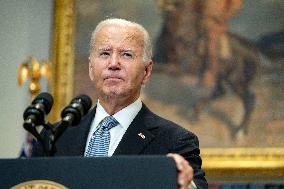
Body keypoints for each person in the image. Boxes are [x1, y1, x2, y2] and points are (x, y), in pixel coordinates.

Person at [32, 18, 207, 189]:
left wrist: (185, 185)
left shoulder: (175, 141)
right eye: (105, 53)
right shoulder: (54, 137)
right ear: (91, 68)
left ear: (146, 71)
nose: (113, 64)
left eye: (126, 55)